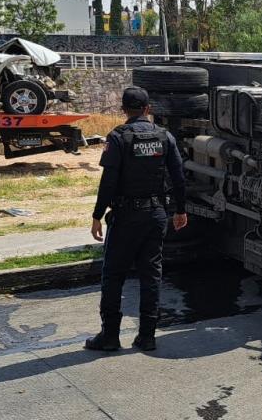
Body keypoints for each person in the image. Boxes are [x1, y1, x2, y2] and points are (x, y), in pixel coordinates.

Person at [86, 86, 187, 352]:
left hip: (126, 216)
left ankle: (109, 336)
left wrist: (97, 216)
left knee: (113, 275)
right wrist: (181, 210)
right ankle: (147, 335)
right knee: (151, 275)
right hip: (156, 215)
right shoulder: (165, 137)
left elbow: (108, 182)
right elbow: (178, 177)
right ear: (148, 109)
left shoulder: (119, 137)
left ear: (124, 110)